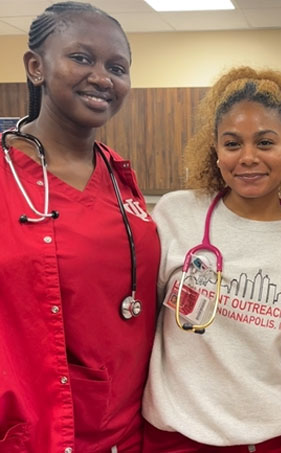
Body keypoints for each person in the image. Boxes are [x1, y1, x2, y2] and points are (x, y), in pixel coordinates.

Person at [142, 66, 281, 452]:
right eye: (232, 144)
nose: (248, 158)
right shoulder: (175, 215)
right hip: (177, 438)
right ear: (215, 146)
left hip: (276, 440)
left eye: (265, 143)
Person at [0, 2, 160, 452]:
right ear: (36, 66)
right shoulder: (7, 176)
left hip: (129, 428)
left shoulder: (119, 174)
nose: (103, 78)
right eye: (82, 58)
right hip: (38, 428)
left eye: (117, 67)